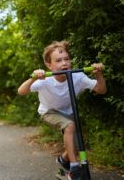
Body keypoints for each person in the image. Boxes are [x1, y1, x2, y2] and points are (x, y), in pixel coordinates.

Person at [17, 41, 106, 180]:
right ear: (49, 65)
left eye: (66, 59)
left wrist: (98, 74)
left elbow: (101, 90)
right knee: (69, 126)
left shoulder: (78, 77)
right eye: (58, 60)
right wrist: (33, 77)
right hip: (49, 112)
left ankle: (63, 160)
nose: (64, 63)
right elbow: (21, 91)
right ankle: (74, 167)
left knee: (77, 144)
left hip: (69, 113)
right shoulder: (45, 79)